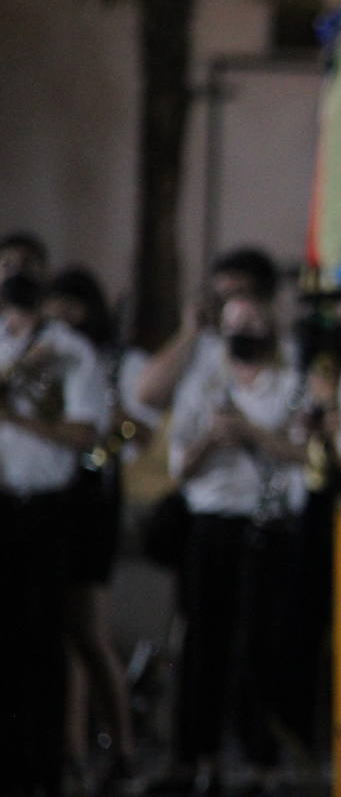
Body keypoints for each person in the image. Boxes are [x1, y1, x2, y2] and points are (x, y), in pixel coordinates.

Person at [166, 292, 312, 794]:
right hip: (211, 525)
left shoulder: (292, 386)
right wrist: (210, 438)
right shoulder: (201, 386)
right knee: (202, 642)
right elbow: (179, 466)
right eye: (234, 321)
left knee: (261, 647)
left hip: (267, 528)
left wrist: (249, 431)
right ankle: (194, 757)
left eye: (253, 319)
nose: (243, 329)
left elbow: (308, 454)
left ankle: (260, 761)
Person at [44, 267, 153, 793]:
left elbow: (141, 433)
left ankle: (121, 744)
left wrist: (113, 417)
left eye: (74, 307)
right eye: (55, 306)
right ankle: (68, 749)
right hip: (46, 498)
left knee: (87, 627)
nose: (63, 318)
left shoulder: (118, 363)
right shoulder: (39, 357)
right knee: (52, 630)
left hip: (93, 496)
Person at [0, 269, 105, 797]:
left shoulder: (71, 353)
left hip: (45, 511)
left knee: (42, 637)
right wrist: (16, 369)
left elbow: (86, 433)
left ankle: (45, 767)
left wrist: (17, 420)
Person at [135, 245, 280, 412]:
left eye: (238, 293)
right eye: (221, 297)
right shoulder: (202, 345)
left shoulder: (283, 355)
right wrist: (188, 332)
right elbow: (146, 395)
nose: (229, 305)